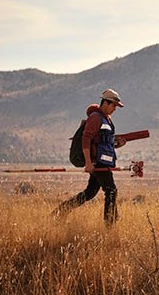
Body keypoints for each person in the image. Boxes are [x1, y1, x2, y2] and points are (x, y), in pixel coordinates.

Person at [55, 89, 126, 225]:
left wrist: (118, 145)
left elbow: (102, 143)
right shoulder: (95, 118)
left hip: (102, 162)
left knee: (90, 192)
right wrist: (88, 162)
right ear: (105, 102)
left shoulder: (107, 120)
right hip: (96, 163)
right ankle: (110, 225)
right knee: (111, 191)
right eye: (114, 106)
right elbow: (86, 139)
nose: (114, 109)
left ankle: (60, 211)